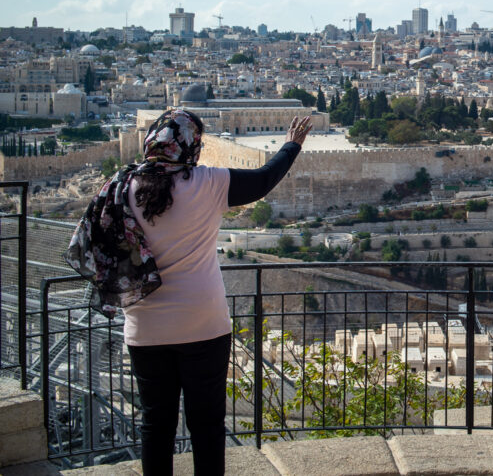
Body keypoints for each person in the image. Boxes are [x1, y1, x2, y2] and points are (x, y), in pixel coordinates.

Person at [66, 109, 312, 475]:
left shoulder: (122, 187)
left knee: (156, 424)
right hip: (204, 324)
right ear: (192, 144)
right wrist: (291, 145)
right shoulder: (208, 183)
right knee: (207, 425)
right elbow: (263, 180)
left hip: (145, 327)